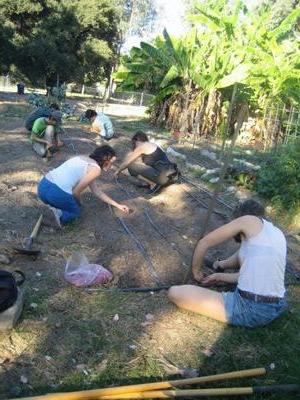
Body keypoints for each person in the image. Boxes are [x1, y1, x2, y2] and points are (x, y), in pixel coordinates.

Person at [168, 199, 287, 328]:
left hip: (251, 308)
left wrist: (196, 272)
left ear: (238, 218)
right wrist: (219, 276)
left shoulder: (247, 220)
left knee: (175, 292)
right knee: (244, 251)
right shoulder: (276, 233)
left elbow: (204, 243)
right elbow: (253, 275)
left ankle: (218, 268)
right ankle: (219, 265)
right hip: (276, 305)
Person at [38, 145, 130, 228]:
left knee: (65, 200)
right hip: (57, 193)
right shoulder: (96, 170)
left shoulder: (81, 158)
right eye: (111, 162)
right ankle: (58, 215)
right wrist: (78, 203)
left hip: (42, 187)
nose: (111, 165)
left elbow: (96, 191)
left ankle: (52, 208)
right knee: (75, 212)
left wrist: (117, 205)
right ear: (105, 159)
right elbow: (76, 192)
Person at [115, 131, 180, 195]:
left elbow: (127, 162)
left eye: (134, 143)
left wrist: (118, 171)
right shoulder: (151, 145)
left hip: (163, 178)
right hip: (170, 176)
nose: (135, 146)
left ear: (137, 140)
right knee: (136, 167)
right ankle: (150, 183)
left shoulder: (142, 146)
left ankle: (153, 184)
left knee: (131, 166)